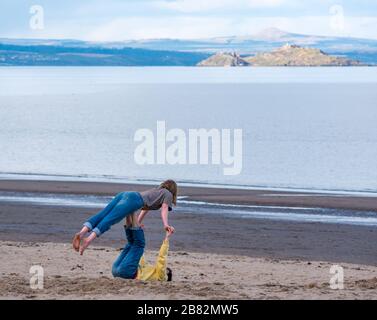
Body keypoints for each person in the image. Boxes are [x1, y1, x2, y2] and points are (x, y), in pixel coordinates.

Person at [72, 180, 177, 255]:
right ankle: (88, 240)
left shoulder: (157, 191)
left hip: (125, 194)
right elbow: (164, 209)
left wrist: (138, 222)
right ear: (173, 190)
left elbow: (146, 208)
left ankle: (82, 233)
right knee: (111, 219)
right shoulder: (168, 194)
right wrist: (165, 224)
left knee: (103, 214)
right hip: (133, 200)